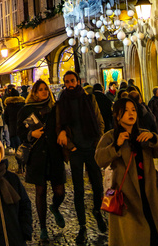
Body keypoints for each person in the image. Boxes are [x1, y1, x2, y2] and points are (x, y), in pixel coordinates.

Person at [95, 94, 158, 246]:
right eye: (126, 111)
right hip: (126, 199)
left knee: (155, 235)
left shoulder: (143, 134)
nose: (131, 113)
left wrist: (154, 139)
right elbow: (99, 159)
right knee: (132, 238)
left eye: (133, 110)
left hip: (150, 195)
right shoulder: (110, 136)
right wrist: (116, 146)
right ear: (117, 116)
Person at [56, 70, 106, 243]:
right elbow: (59, 126)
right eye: (67, 81)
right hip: (76, 150)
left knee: (98, 184)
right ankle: (82, 226)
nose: (69, 84)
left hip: (91, 147)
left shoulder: (89, 99)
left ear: (78, 81)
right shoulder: (62, 102)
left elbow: (100, 121)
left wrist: (97, 142)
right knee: (78, 190)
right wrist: (72, 146)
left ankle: (97, 211)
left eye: (72, 81)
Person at [18, 79, 65, 243]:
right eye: (40, 90)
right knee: (41, 191)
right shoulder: (26, 110)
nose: (44, 92)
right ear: (34, 92)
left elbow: (63, 125)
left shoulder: (55, 108)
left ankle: (56, 207)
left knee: (60, 191)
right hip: (37, 155)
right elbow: (20, 133)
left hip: (54, 153)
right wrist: (32, 135)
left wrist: (63, 133)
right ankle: (44, 227)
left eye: (46, 89)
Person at [3, 87, 26, 157]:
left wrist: (9, 124)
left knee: (16, 147)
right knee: (23, 145)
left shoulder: (8, 106)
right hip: (22, 128)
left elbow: (5, 118)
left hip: (13, 128)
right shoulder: (23, 105)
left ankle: (19, 161)